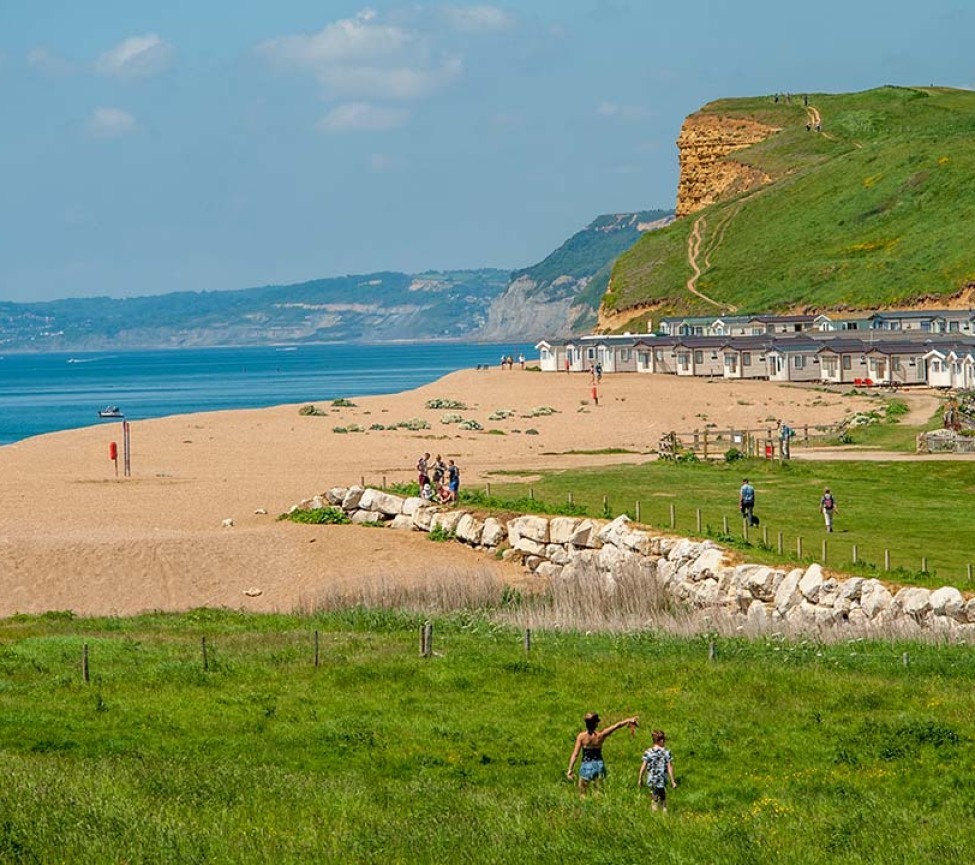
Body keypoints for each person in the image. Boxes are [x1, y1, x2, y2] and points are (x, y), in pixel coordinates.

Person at [566, 712, 639, 796]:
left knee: (582, 793)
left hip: (586, 765)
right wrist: (629, 720)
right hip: (598, 765)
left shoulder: (581, 737)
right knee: (599, 792)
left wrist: (570, 770)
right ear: (596, 724)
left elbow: (575, 754)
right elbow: (616, 725)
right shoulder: (601, 735)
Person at [638, 730, 677, 812]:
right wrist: (673, 781)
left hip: (652, 779)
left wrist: (640, 779)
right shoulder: (666, 752)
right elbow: (669, 767)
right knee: (663, 799)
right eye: (664, 740)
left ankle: (654, 814)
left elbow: (643, 767)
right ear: (661, 740)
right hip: (662, 779)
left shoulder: (648, 752)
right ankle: (664, 815)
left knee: (654, 798)